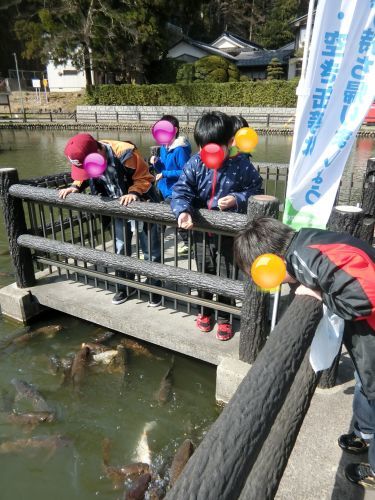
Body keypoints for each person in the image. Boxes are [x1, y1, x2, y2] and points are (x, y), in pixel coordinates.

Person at [234, 216, 375, 489]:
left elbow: (367, 294)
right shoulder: (305, 242)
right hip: (365, 336)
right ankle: (365, 433)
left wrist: (322, 295)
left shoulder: (306, 259)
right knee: (365, 383)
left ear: (268, 262)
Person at [171, 111, 263, 341]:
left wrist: (237, 198)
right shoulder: (195, 163)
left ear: (230, 143)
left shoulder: (241, 164)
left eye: (216, 149)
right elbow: (181, 190)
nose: (209, 155)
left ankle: (224, 318)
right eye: (204, 149)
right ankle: (204, 311)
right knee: (204, 272)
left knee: (226, 275)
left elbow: (257, 190)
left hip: (229, 235)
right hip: (201, 233)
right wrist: (183, 210)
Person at [59, 133, 162, 307]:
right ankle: (125, 286)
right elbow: (83, 175)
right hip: (116, 208)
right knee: (121, 248)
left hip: (143, 203)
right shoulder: (90, 157)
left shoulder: (125, 153)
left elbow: (144, 177)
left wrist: (133, 192)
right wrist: (75, 186)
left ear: (98, 151)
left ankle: (155, 288)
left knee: (150, 249)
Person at [150, 115, 192, 254]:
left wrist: (165, 174)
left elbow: (184, 171)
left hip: (176, 190)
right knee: (160, 217)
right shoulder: (163, 147)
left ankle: (188, 243)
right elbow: (163, 168)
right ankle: (155, 248)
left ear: (174, 130)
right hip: (164, 188)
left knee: (173, 216)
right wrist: (157, 162)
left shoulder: (180, 149)